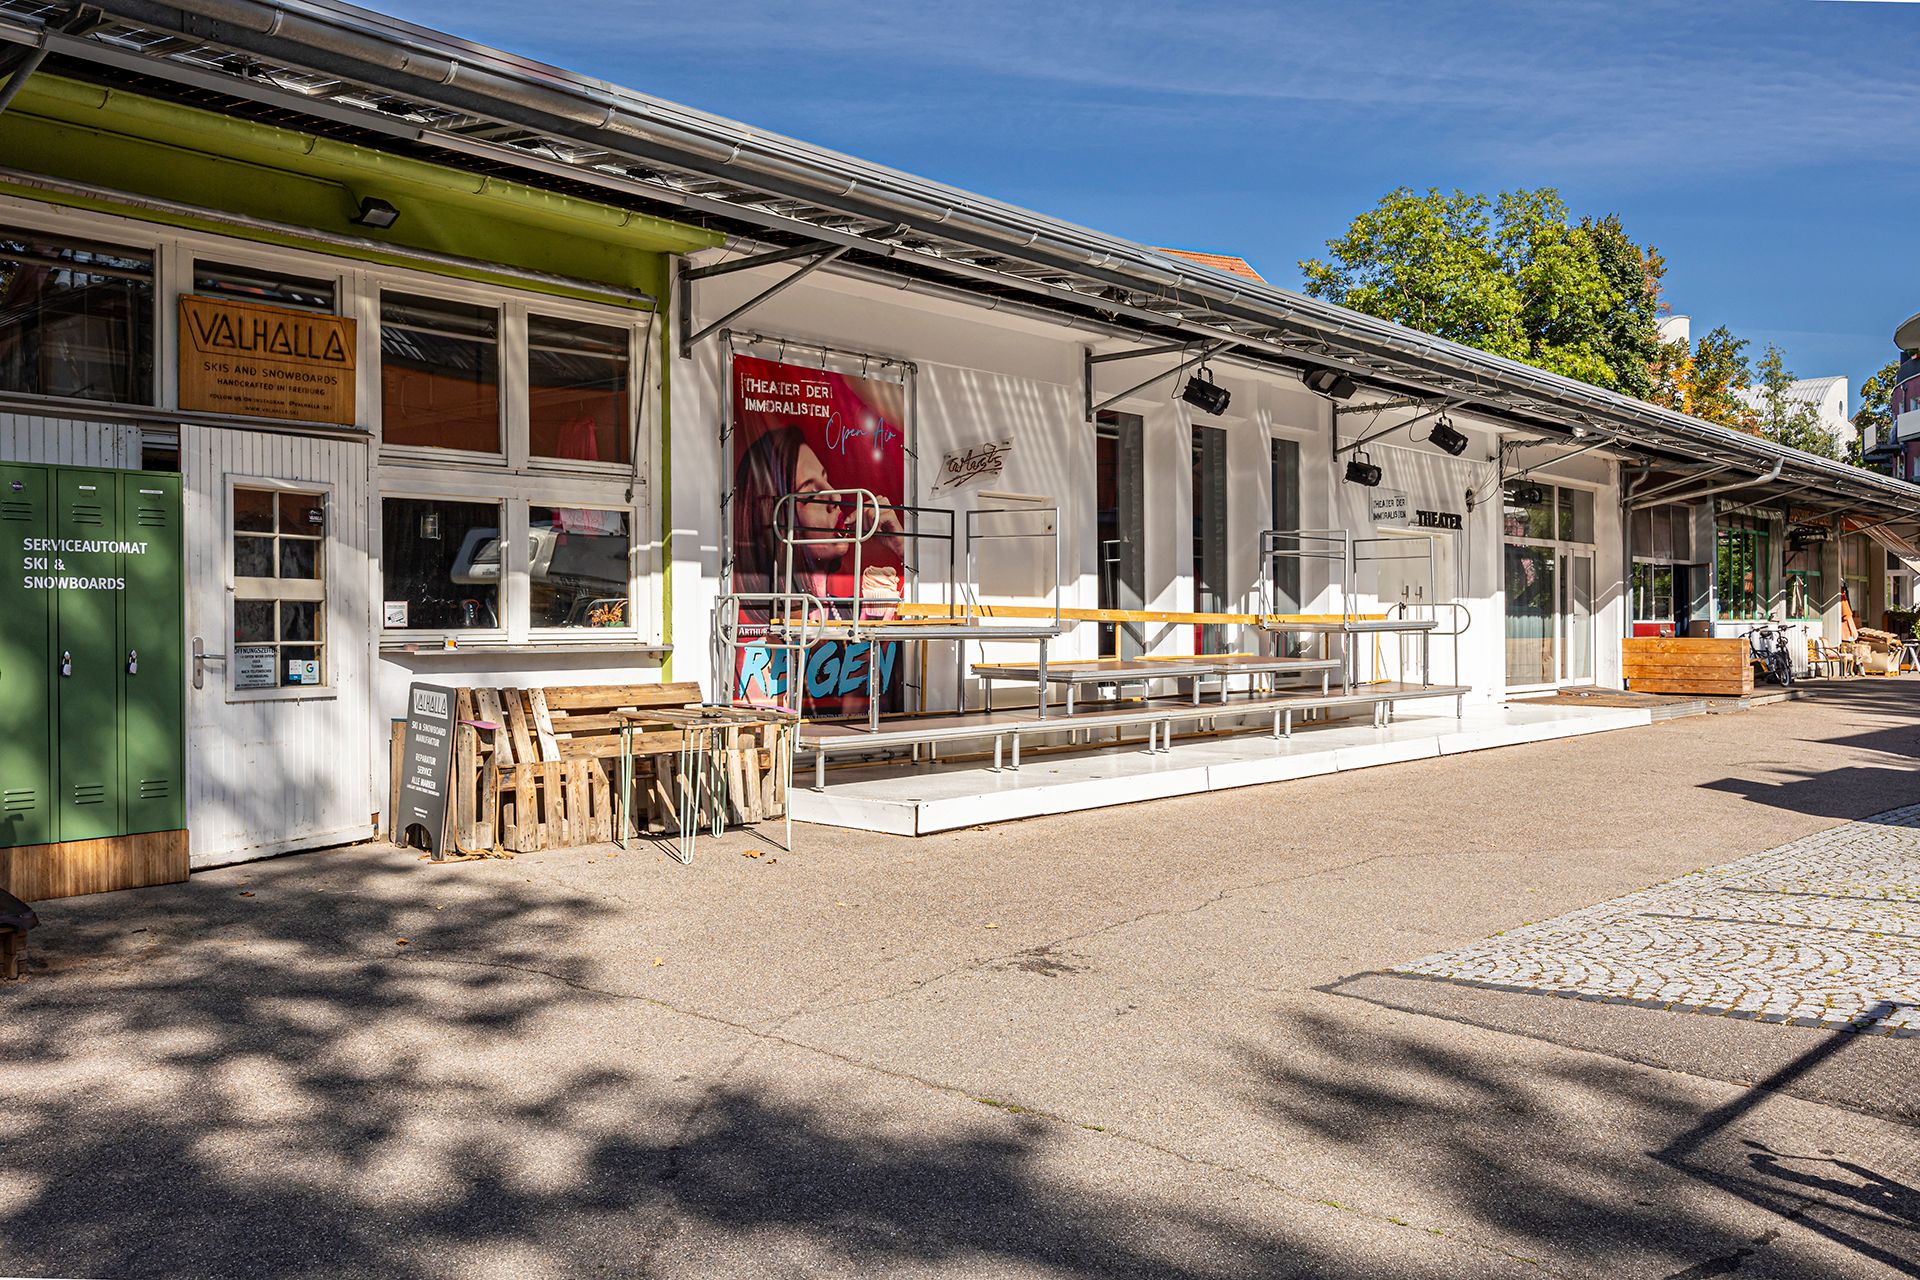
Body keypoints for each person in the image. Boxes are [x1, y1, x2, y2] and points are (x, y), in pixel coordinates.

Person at [731, 426, 903, 712]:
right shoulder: (763, 642)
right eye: (812, 494)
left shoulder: (848, 607)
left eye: (826, 479)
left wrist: (900, 545)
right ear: (776, 519)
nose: (834, 497)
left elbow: (874, 705)